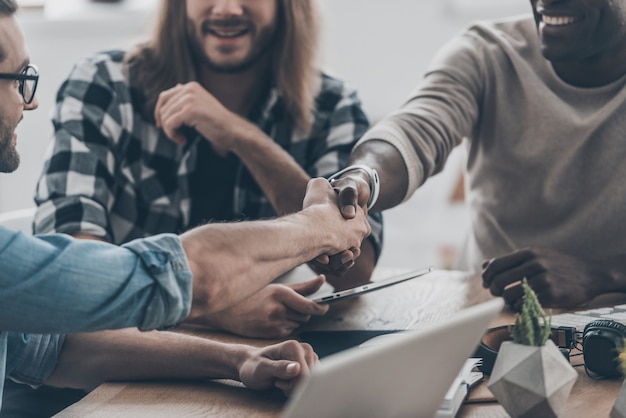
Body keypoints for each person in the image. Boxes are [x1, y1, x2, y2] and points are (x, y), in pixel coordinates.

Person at [0, 0, 371, 414]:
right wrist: (317, 227)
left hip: (156, 363)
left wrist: (239, 360)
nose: (227, 8)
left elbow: (51, 347)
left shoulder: (333, 102)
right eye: (18, 80)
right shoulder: (105, 82)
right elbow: (85, 287)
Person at [329, 0, 626, 312]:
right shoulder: (487, 52)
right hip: (490, 323)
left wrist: (599, 275)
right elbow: (415, 130)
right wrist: (362, 177)